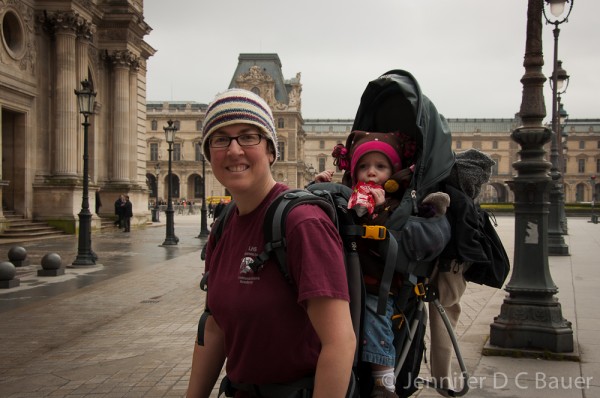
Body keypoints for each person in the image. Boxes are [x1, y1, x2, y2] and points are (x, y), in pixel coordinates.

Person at [187, 88, 355, 398]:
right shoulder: (223, 226)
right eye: (221, 139)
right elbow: (215, 326)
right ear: (209, 153)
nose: (234, 150)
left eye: (249, 136)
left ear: (271, 151)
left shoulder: (302, 223)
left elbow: (340, 342)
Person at [324, 131, 449, 398]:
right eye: (364, 167)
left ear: (393, 172)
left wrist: (380, 211)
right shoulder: (350, 193)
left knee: (375, 314)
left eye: (380, 167)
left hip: (378, 282)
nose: (371, 173)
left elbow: (392, 237)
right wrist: (323, 187)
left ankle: (384, 380)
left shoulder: (396, 202)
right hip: (346, 276)